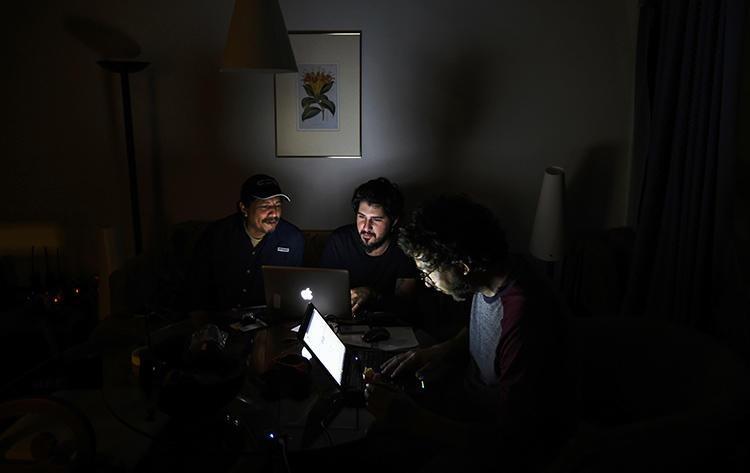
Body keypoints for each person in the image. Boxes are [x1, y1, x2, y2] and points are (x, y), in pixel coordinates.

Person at [363, 194, 573, 471]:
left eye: (428, 272)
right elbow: (485, 331)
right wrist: (438, 351)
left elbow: (514, 440)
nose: (427, 283)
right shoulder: (495, 273)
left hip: (489, 439)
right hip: (466, 399)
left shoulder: (524, 318)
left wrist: (413, 419)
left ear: (462, 267)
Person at [181, 174, 305, 314]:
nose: (274, 213)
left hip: (268, 321)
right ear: (244, 208)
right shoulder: (216, 235)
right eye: (265, 206)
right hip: (222, 320)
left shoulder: (292, 238)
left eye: (278, 205)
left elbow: (295, 291)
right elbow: (196, 286)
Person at [319, 177, 417, 315]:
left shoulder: (405, 248)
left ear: (394, 221)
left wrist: (372, 294)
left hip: (390, 326)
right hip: (343, 323)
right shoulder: (339, 241)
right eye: (361, 217)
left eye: (376, 219)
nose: (366, 227)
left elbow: (406, 306)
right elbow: (323, 292)